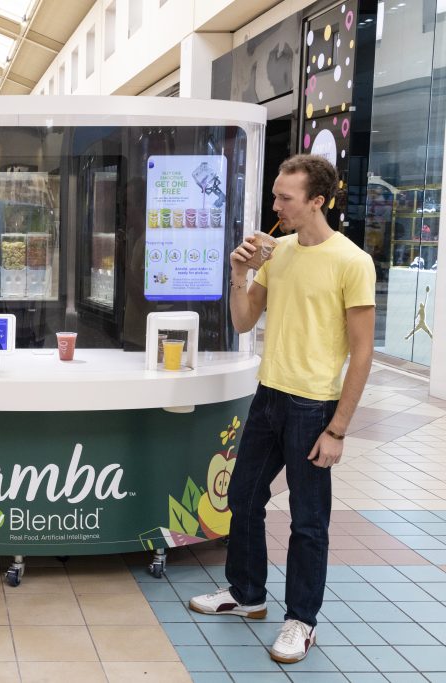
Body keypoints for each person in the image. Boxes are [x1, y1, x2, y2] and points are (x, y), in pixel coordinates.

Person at [189, 154, 375, 663]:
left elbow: (363, 351)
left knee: (307, 520)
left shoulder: (352, 261)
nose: (275, 205)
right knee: (242, 499)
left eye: (285, 198)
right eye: (275, 195)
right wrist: (238, 273)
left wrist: (338, 429)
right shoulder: (279, 251)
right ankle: (247, 595)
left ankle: (301, 620)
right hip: (269, 395)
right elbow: (246, 321)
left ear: (318, 200)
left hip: (315, 406)